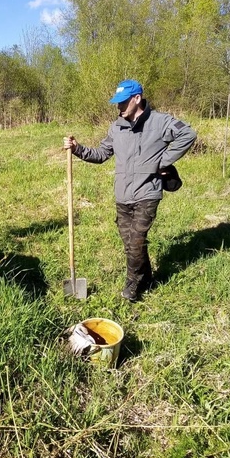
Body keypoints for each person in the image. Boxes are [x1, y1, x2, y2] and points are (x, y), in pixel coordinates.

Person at [63, 79, 197, 301]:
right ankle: (147, 278)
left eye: (123, 103)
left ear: (137, 98)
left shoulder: (160, 122)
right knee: (131, 244)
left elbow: (188, 135)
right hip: (123, 195)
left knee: (135, 242)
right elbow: (101, 154)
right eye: (117, 103)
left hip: (147, 193)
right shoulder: (117, 127)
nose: (119, 107)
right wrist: (77, 149)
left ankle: (132, 286)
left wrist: (163, 162)